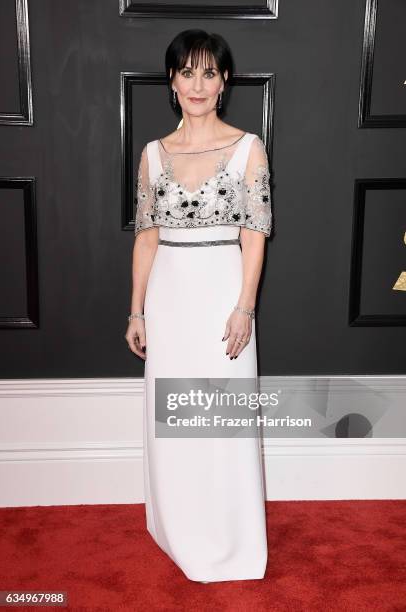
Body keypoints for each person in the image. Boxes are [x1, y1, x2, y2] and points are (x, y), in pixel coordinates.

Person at [125, 29, 272, 583]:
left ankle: (231, 538)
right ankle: (180, 528)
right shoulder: (152, 154)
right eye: (187, 72)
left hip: (221, 293)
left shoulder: (247, 147)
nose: (197, 84)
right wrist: (137, 310)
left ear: (224, 82)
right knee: (176, 419)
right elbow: (145, 237)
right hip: (169, 297)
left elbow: (255, 234)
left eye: (209, 73)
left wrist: (244, 308)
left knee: (223, 421)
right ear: (172, 80)